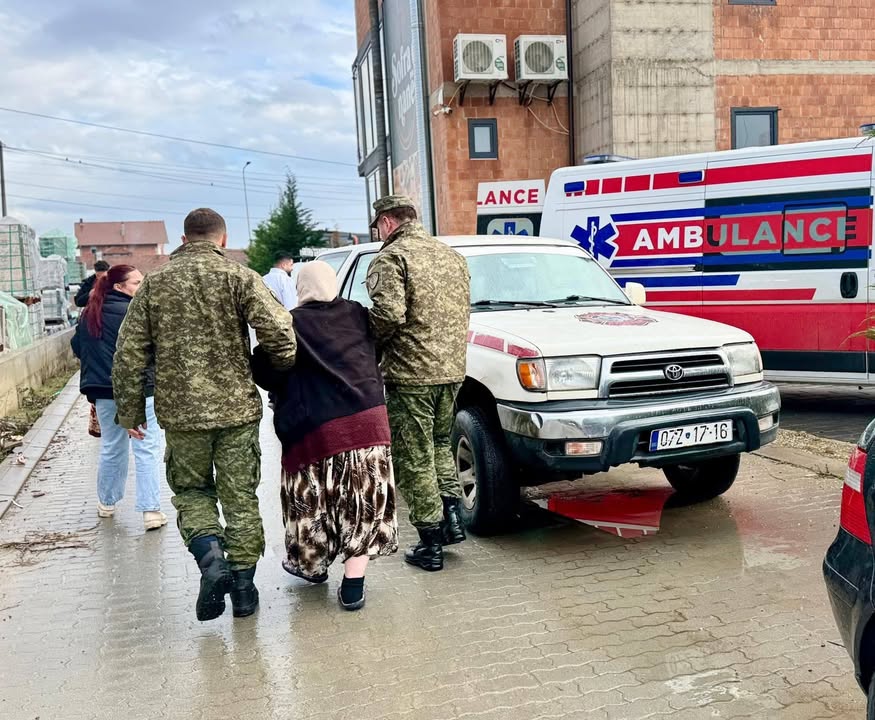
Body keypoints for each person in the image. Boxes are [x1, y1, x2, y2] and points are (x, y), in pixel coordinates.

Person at [112, 208, 297, 622]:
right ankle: (244, 591)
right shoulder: (239, 277)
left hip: (181, 416)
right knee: (240, 497)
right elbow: (280, 331)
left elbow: (128, 353)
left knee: (193, 491)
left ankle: (211, 559)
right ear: (223, 239)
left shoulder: (154, 283)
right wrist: (279, 368)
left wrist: (129, 410)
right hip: (236, 411)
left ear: (183, 239)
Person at [251, 261, 398, 610]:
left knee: (313, 504)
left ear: (301, 288)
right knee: (362, 506)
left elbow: (268, 373)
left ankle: (313, 566)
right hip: (369, 424)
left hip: (316, 431)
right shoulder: (359, 314)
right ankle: (353, 585)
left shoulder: (291, 323)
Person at [366, 195, 471, 572]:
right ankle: (452, 519)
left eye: (378, 227)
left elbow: (388, 315)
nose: (378, 234)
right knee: (441, 443)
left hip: (411, 374)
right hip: (451, 370)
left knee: (415, 455)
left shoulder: (393, 258)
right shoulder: (451, 255)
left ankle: (430, 541)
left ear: (387, 222)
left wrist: (369, 349)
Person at [71, 264, 166, 532]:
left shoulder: (90, 313)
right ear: (119, 287)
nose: (141, 286)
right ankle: (150, 511)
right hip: (140, 389)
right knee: (146, 447)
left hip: (103, 392)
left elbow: (77, 347)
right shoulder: (135, 312)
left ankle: (107, 503)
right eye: (136, 283)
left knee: (112, 447)